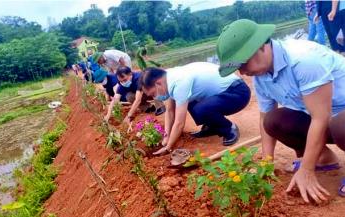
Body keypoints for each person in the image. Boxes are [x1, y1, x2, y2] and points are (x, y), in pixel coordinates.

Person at [216, 19, 345, 203]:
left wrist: (306, 170)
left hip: (336, 117)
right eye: (237, 68)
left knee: (341, 125)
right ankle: (323, 158)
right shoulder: (261, 76)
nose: (242, 72)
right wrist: (266, 165)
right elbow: (263, 119)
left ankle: (310, 164)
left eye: (243, 63)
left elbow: (321, 117)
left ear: (261, 45)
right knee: (274, 120)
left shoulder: (303, 59)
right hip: (326, 118)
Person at [139, 62, 251, 155]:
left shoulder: (178, 82)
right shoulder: (167, 77)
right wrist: (166, 136)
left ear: (158, 83)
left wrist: (168, 147)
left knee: (199, 109)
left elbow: (179, 123)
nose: (155, 98)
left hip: (238, 93)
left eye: (153, 94)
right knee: (189, 103)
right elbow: (170, 111)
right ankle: (212, 127)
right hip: (223, 94)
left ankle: (229, 128)